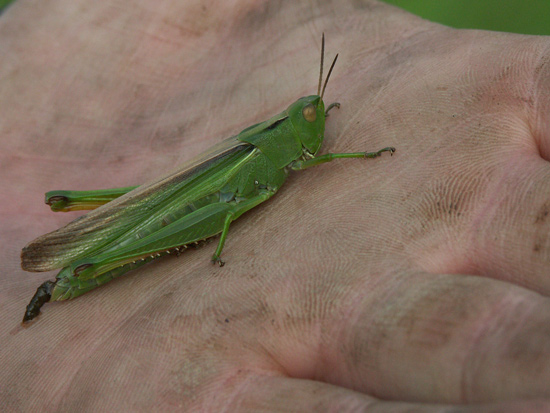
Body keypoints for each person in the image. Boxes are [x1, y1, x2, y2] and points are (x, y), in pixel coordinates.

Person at [1, 0, 549, 411]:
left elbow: (310, 155)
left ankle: (82, 262)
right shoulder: (266, 162)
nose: (317, 123)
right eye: (310, 118)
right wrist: (218, 243)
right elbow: (233, 205)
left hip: (208, 188)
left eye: (316, 116)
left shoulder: (282, 144)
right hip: (195, 205)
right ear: (288, 126)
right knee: (219, 211)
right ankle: (78, 271)